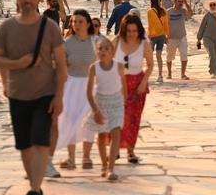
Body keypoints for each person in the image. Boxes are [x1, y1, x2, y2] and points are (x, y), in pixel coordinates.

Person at [0, 0, 67, 195]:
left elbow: (61, 65)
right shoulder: (6, 28)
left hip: (44, 93)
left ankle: (35, 191)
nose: (28, 0)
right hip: (18, 94)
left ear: (39, 0)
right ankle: (35, 187)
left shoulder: (50, 28)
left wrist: (59, 97)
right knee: (24, 145)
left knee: (41, 141)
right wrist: (14, 68)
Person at [57, 10, 97, 172]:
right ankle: (71, 158)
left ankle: (86, 157)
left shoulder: (96, 42)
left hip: (91, 85)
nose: (77, 25)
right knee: (70, 120)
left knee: (89, 122)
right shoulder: (67, 43)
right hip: (72, 85)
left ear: (87, 23)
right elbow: (61, 66)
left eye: (80, 21)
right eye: (74, 22)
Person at [113, 13, 152, 164]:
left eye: (134, 31)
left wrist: (143, 82)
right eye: (128, 31)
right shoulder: (117, 41)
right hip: (118, 84)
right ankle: (115, 148)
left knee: (133, 119)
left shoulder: (144, 44)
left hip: (137, 83)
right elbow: (105, 58)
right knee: (117, 117)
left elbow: (150, 65)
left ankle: (130, 150)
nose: (131, 34)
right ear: (124, 30)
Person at [86, 37, 126, 181]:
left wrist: (123, 102)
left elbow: (124, 86)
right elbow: (88, 91)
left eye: (106, 48)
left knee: (115, 133)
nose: (103, 51)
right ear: (96, 51)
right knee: (102, 135)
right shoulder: (94, 68)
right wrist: (95, 110)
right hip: (100, 102)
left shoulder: (119, 66)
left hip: (116, 102)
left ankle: (111, 168)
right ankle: (104, 164)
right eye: (100, 49)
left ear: (112, 51)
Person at [166, 0, 193, 80]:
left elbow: (191, 14)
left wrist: (186, 3)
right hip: (171, 37)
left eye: (182, 1)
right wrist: (164, 36)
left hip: (182, 37)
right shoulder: (168, 12)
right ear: (175, 2)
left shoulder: (183, 11)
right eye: (179, 1)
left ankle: (183, 74)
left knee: (184, 55)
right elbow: (164, 24)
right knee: (169, 56)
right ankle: (169, 73)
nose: (180, 3)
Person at [146, 0, 169, 83]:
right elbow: (166, 24)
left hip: (153, 36)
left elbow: (150, 25)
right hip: (162, 36)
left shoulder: (150, 12)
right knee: (159, 56)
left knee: (149, 56)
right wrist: (166, 36)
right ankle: (160, 75)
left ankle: (147, 75)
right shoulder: (164, 11)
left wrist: (148, 37)